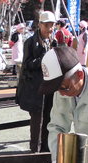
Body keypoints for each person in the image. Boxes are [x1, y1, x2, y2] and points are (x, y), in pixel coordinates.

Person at [15, 11, 56, 153]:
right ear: (39, 25)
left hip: (50, 88)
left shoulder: (53, 41)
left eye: (51, 25)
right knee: (36, 122)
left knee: (49, 120)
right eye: (46, 25)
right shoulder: (30, 42)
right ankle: (34, 151)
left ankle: (45, 149)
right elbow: (26, 64)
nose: (49, 28)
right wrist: (43, 59)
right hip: (35, 89)